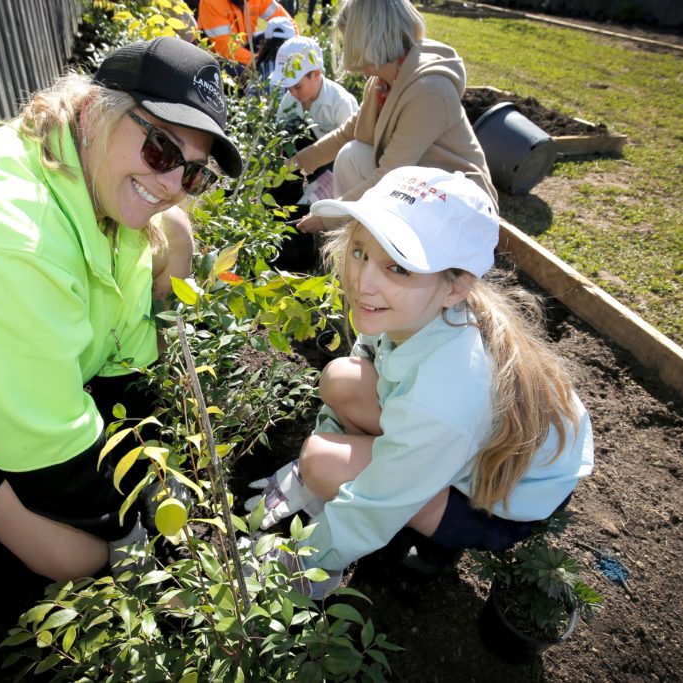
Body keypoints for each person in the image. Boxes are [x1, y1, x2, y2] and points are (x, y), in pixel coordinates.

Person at [0, 37, 243, 583]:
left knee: (173, 228)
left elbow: (125, 335)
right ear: (98, 108)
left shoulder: (90, 168)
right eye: (162, 151)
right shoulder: (9, 242)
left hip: (8, 345)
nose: (172, 184)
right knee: (77, 557)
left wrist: (145, 445)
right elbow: (46, 450)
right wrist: (127, 525)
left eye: (193, 173)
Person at [246, 166, 594, 596]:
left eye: (399, 267)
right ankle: (386, 477)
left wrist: (304, 562)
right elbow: (363, 360)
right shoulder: (423, 310)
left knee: (322, 462)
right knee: (340, 379)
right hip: (462, 440)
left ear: (456, 286)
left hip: (503, 500)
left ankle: (434, 533)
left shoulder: (447, 391)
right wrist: (327, 475)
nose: (363, 282)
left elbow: (375, 507)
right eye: (360, 251)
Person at [289, 0, 498, 234]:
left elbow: (390, 174)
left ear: (366, 37)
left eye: (348, 38)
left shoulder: (429, 89)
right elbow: (347, 134)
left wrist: (328, 216)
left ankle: (370, 242)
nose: (346, 47)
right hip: (418, 186)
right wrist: (294, 165)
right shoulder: (382, 83)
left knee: (356, 163)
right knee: (352, 154)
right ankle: (361, 237)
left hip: (456, 204)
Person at [271, 35, 358, 205]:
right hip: (306, 159)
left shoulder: (340, 102)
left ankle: (316, 196)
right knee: (288, 133)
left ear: (316, 74)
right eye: (288, 88)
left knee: (316, 204)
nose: (293, 93)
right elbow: (279, 138)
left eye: (297, 86)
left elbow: (351, 150)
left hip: (338, 162)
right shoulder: (290, 100)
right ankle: (292, 196)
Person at [198, 0, 297, 68]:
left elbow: (288, 24)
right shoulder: (212, 2)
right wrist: (258, 62)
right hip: (216, 57)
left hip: (244, 44)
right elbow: (225, 48)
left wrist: (297, 46)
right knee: (240, 73)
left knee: (277, 35)